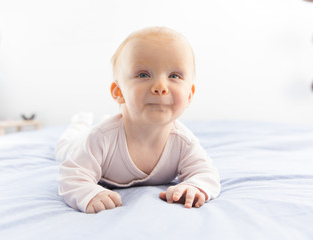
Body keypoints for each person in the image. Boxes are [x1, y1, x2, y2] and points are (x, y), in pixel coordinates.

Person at [56, 26, 221, 214]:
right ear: (119, 92)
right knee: (64, 147)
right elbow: (71, 174)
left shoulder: (183, 142)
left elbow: (205, 173)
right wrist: (89, 194)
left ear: (190, 95)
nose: (160, 87)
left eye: (174, 76)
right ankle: (79, 123)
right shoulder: (101, 138)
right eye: (143, 75)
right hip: (82, 142)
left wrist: (194, 186)